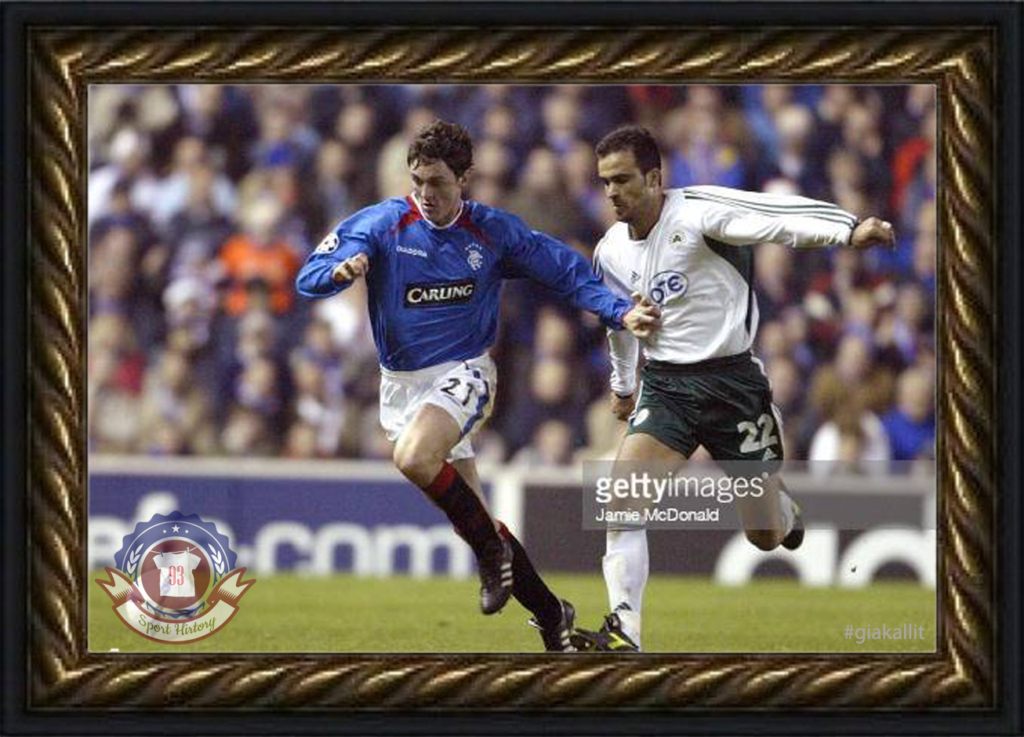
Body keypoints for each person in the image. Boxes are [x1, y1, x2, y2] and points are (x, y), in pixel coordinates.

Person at [295, 120, 660, 652]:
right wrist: (338, 274)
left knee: (413, 458)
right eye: (418, 181)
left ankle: (492, 555)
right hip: (402, 387)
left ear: (464, 179)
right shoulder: (381, 225)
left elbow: (568, 273)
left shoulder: (492, 231)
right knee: (478, 521)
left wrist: (619, 311)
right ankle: (552, 616)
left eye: (438, 182)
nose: (425, 194)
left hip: (465, 372)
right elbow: (308, 274)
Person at [572, 125, 896, 652]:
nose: (611, 192)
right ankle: (625, 630)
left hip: (732, 383)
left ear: (654, 178)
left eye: (623, 179)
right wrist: (624, 384)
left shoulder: (700, 213)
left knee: (764, 536)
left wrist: (847, 228)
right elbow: (619, 322)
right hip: (667, 387)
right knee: (621, 498)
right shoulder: (609, 250)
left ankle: (782, 509)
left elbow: (774, 217)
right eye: (605, 182)